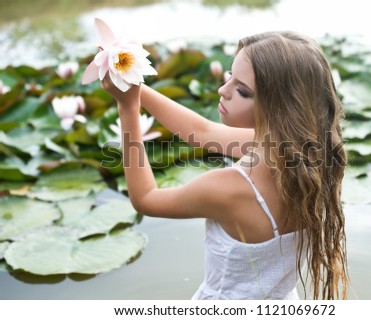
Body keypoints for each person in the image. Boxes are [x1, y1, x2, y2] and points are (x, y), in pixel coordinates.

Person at [100, 31, 349, 300]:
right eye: (230, 77)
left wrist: (127, 109)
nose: (223, 90)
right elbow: (202, 131)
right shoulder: (311, 156)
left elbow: (146, 199)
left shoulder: (228, 188)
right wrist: (134, 84)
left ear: (279, 108)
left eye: (241, 90)